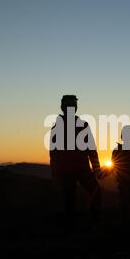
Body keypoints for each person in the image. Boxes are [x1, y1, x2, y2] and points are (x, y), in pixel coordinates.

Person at [49, 95, 103, 230]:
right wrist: (96, 168)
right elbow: (54, 152)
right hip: (78, 169)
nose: (72, 108)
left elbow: (54, 152)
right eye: (71, 106)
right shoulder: (78, 125)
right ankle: (89, 224)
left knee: (71, 199)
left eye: (72, 106)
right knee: (76, 197)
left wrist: (55, 172)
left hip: (72, 169)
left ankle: (76, 226)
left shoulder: (60, 126)